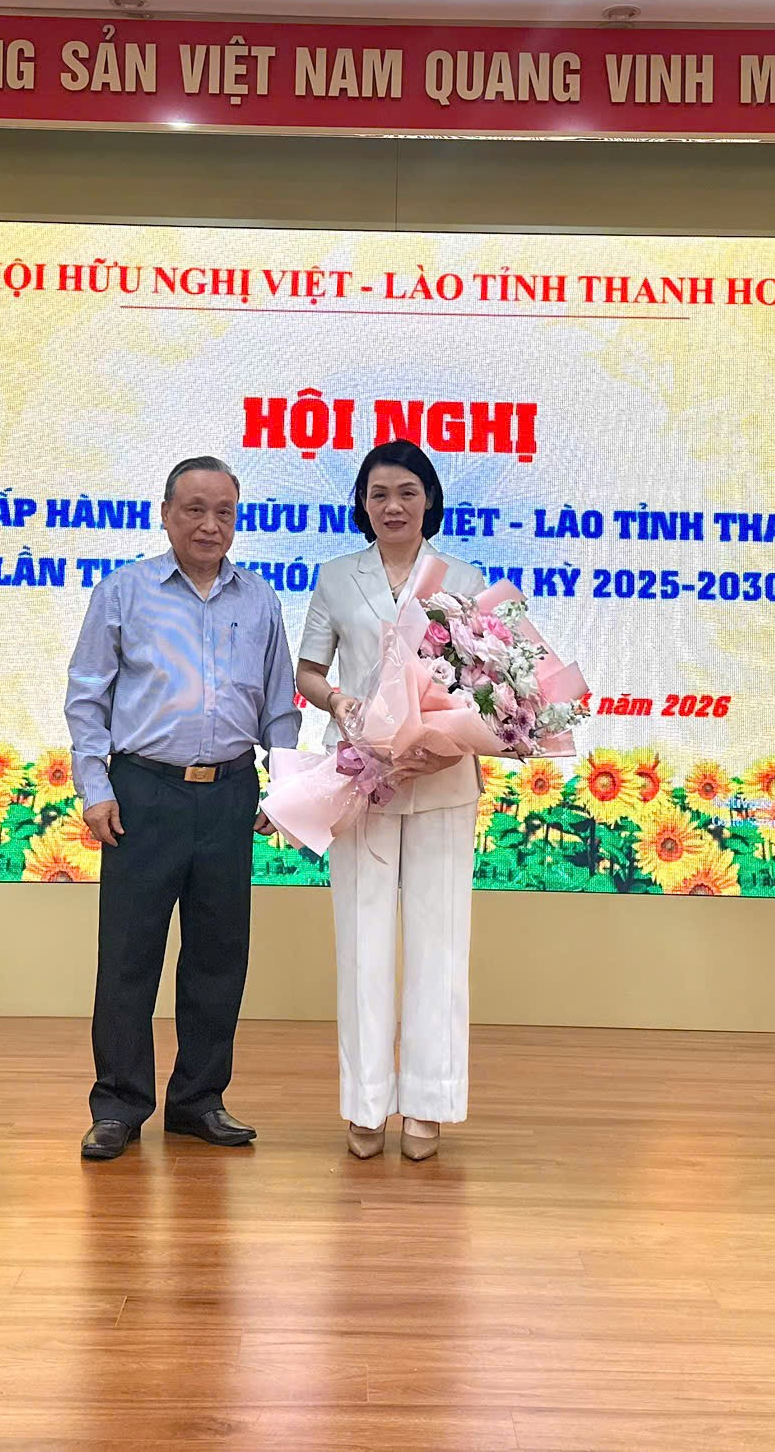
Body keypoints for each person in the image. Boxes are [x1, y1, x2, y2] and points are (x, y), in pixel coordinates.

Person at [65, 455, 300, 1162]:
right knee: (128, 957)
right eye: (194, 509)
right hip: (144, 793)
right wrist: (95, 787)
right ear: (165, 514)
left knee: (218, 958)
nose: (209, 525)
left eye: (224, 511)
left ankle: (199, 1101)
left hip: (229, 793)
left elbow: (280, 705)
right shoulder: (123, 592)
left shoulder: (260, 600)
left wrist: (285, 786)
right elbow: (87, 697)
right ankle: (118, 1106)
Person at [295, 440, 486, 1162]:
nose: (393, 506)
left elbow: (486, 679)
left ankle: (428, 1103)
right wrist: (340, 702)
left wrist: (446, 738)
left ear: (429, 498)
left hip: (441, 776)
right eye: (379, 494)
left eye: (407, 492)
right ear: (362, 504)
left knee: (440, 940)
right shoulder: (336, 577)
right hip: (361, 774)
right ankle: (366, 1104)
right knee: (362, 940)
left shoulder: (463, 577)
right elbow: (310, 670)